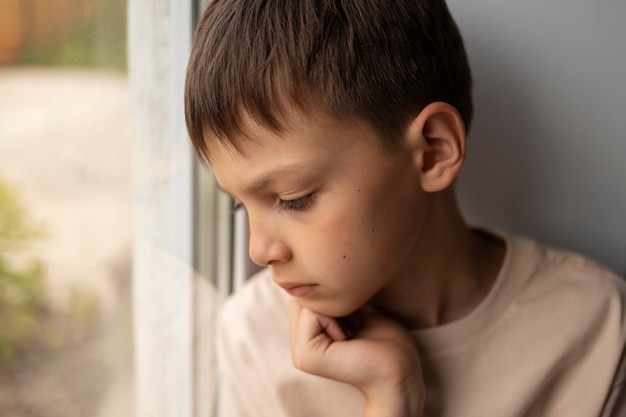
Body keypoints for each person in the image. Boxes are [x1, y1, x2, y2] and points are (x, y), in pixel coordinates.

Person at [184, 0, 626, 416]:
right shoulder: (252, 338)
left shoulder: (597, 330)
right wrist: (388, 398)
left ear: (433, 150)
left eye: (292, 197)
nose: (259, 252)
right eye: (239, 206)